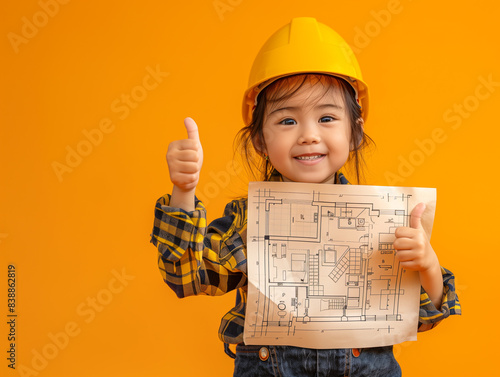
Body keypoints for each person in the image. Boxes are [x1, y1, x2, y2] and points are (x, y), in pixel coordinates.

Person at [150, 17, 461, 377]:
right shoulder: (248, 219)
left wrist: (428, 267)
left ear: (355, 133)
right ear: (260, 141)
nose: (309, 135)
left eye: (327, 118)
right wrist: (183, 192)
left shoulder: (383, 221)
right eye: (287, 121)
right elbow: (189, 277)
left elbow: (422, 319)